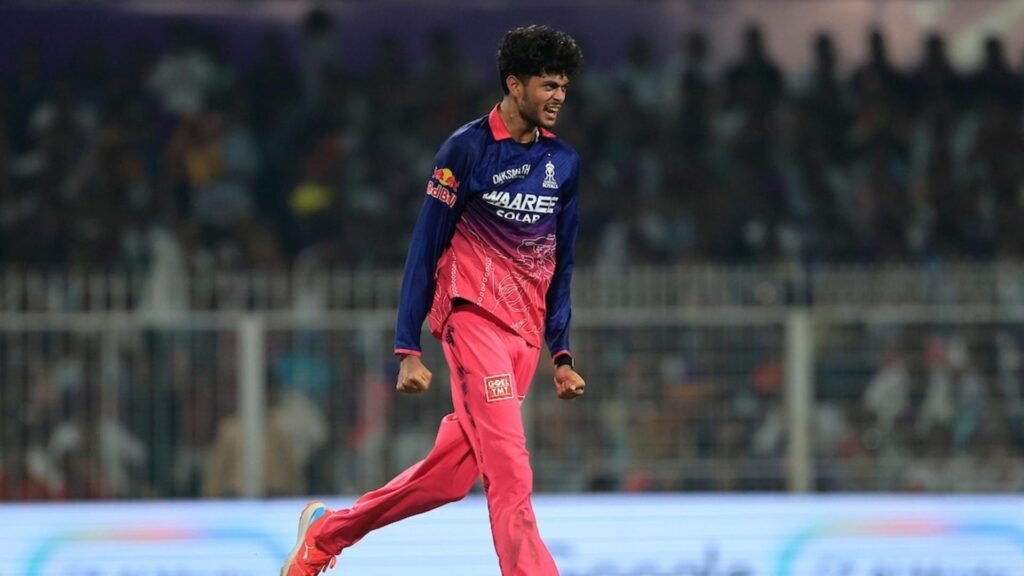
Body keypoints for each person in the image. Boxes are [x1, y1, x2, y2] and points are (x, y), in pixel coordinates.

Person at [281, 25, 586, 576]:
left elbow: (560, 264)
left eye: (564, 85)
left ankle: (326, 533)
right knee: (511, 475)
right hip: (473, 324)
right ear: (515, 85)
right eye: (548, 84)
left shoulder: (563, 163)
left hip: (522, 339)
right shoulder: (465, 150)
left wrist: (560, 354)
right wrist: (408, 346)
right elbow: (425, 248)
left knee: (446, 481)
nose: (559, 95)